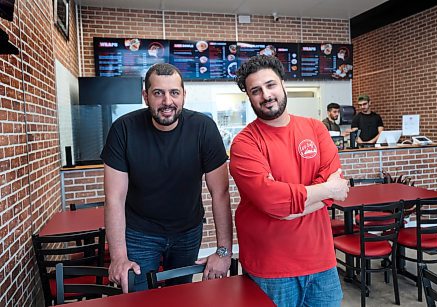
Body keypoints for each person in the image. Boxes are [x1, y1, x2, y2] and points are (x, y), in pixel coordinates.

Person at [229, 55, 349, 307]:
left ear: (283, 84)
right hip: (271, 268)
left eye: (270, 85)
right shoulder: (244, 143)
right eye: (256, 91)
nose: (266, 95)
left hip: (322, 262)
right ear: (249, 97)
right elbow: (274, 201)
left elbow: (333, 185)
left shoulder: (316, 129)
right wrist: (326, 190)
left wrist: (289, 206)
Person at [101, 63, 233, 292]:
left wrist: (223, 251)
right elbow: (114, 197)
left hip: (188, 232)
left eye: (174, 93)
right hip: (139, 233)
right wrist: (119, 257)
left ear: (184, 95)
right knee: (138, 297)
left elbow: (220, 193)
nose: (167, 102)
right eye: (158, 93)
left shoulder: (204, 128)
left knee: (180, 295)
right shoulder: (123, 129)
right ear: (145, 96)